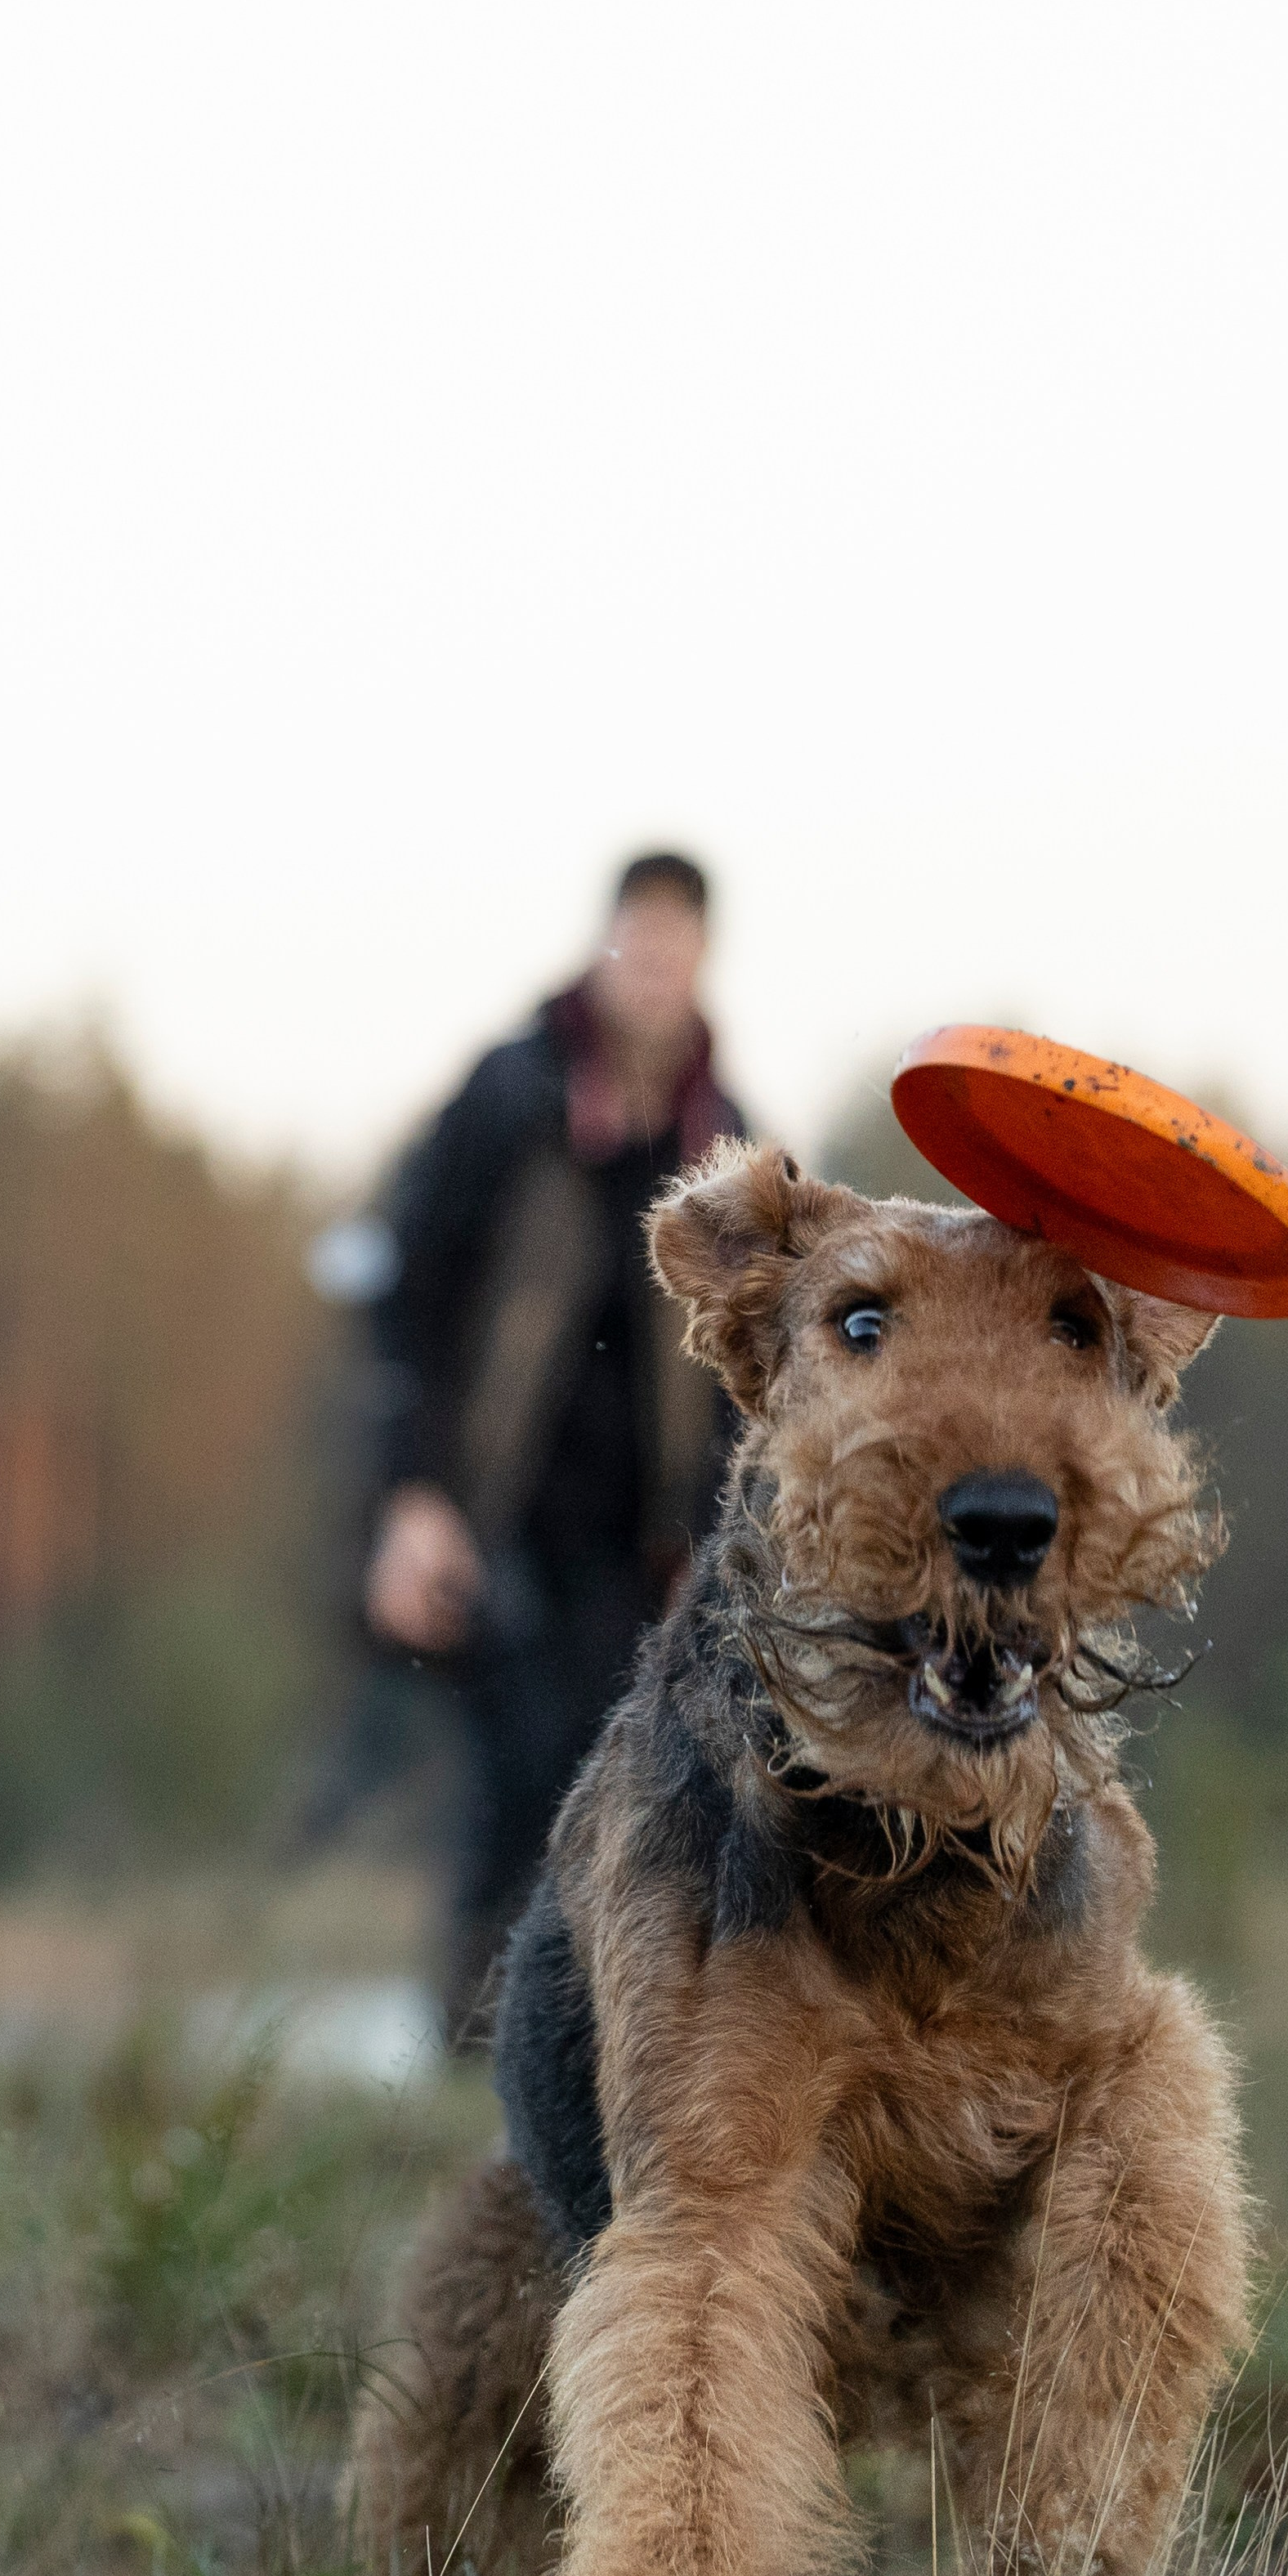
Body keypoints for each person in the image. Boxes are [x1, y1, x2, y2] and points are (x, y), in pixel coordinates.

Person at [363, 852, 746, 2046]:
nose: (655, 967)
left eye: (677, 947)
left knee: (636, 1796)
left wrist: (716, 1543)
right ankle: (467, 2052)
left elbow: (746, 1372)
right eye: (640, 940)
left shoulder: (725, 1140)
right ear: (607, 943)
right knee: (520, 1779)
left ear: (702, 962)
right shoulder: (511, 1098)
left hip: (642, 1544)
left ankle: (585, 2062)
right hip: (495, 1513)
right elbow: (407, 1299)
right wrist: (413, 1498)